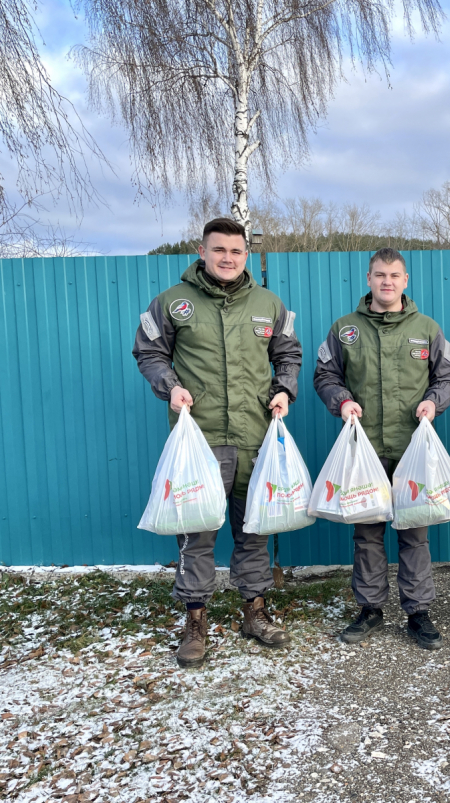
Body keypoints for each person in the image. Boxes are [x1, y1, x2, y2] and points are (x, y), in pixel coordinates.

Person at [133, 217, 302, 668]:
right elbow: (148, 352)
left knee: (253, 533)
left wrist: (284, 389)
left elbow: (288, 353)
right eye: (219, 250)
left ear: (246, 254)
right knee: (198, 535)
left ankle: (255, 612)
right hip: (199, 441)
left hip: (254, 439)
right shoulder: (172, 303)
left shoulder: (269, 304)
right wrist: (170, 386)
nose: (228, 258)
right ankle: (195, 621)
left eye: (237, 251)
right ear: (202, 251)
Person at [313, 248, 450, 650]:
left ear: (405, 280)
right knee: (367, 535)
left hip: (412, 449)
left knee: (414, 532)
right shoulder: (346, 329)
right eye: (380, 275)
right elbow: (325, 374)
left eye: (395, 275)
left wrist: (434, 401)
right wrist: (342, 400)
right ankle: (370, 608)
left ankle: (418, 612)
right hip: (366, 452)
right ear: (368, 278)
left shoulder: (427, 329)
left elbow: (446, 376)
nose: (387, 282)